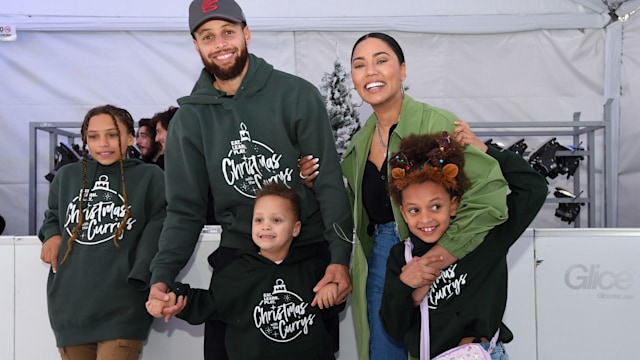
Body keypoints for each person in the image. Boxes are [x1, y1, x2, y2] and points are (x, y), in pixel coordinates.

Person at [147, 1, 353, 359]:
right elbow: (184, 210)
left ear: (246, 33)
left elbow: (329, 183)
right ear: (196, 45)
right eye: (207, 36)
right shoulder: (190, 119)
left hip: (306, 257)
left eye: (228, 32)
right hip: (238, 261)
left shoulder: (296, 95)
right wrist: (161, 276)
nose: (220, 43)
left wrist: (339, 258)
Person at [298, 33, 509, 360]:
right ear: (353, 79)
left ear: (403, 70)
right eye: (360, 65)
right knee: (384, 350)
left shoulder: (438, 128)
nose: (370, 71)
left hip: (448, 255)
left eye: (381, 60)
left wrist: (437, 258)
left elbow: (490, 196)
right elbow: (356, 213)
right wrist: (316, 186)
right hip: (383, 262)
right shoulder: (357, 147)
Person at [379, 130, 547, 359]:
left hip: (486, 352)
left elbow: (533, 188)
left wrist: (486, 152)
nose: (426, 219)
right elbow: (394, 329)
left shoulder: (487, 238)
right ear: (403, 213)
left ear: (454, 205)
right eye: (414, 210)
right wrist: (404, 285)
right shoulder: (402, 256)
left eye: (436, 206)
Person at [147, 182, 343, 359]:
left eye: (276, 220)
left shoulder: (314, 270)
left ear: (295, 228)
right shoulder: (236, 274)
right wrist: (174, 298)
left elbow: (331, 307)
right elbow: (205, 303)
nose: (266, 226)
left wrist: (333, 292)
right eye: (259, 220)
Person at [38, 105, 166, 360]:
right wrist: (51, 234)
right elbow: (53, 214)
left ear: (130, 137)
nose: (103, 143)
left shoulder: (150, 176)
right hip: (71, 304)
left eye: (112, 134)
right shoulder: (67, 177)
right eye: (93, 136)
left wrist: (140, 276)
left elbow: (160, 225)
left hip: (123, 304)